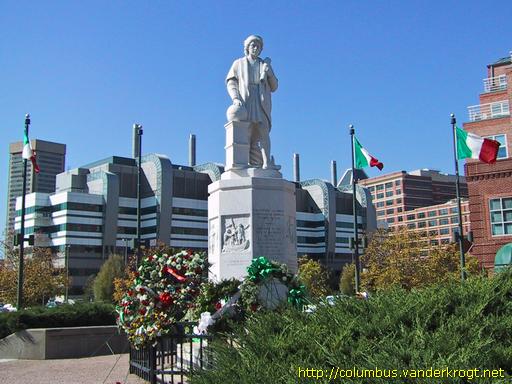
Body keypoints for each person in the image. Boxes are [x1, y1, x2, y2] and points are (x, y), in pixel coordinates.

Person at [226, 35, 278, 169]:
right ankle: (246, 163)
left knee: (263, 132)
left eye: (258, 46)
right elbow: (231, 82)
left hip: (261, 102)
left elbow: (274, 87)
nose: (255, 48)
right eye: (252, 45)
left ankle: (266, 163)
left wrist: (270, 73)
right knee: (246, 133)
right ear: (247, 48)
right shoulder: (238, 63)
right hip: (246, 100)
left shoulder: (264, 65)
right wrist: (236, 98)